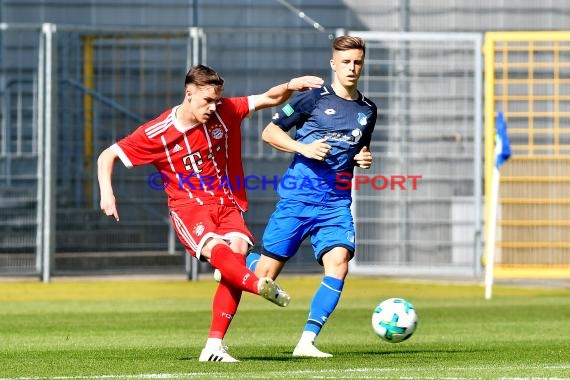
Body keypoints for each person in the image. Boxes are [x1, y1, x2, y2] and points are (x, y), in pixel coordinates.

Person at [97, 64, 324, 362]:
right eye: (207, 101)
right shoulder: (158, 132)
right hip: (189, 208)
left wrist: (291, 84)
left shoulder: (224, 111)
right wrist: (107, 193)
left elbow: (268, 97)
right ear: (188, 94)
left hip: (226, 204)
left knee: (238, 251)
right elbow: (108, 154)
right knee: (219, 250)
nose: (213, 106)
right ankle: (256, 284)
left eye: (217, 99)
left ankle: (214, 347)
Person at [252, 36, 377, 358]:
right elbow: (269, 132)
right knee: (263, 279)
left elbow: (357, 147)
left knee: (339, 263)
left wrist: (364, 157)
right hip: (298, 199)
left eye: (357, 62)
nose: (352, 67)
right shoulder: (312, 100)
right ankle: (238, 260)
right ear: (333, 64)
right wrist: (303, 147)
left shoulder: (368, 109)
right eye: (346, 61)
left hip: (335, 204)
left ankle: (307, 341)